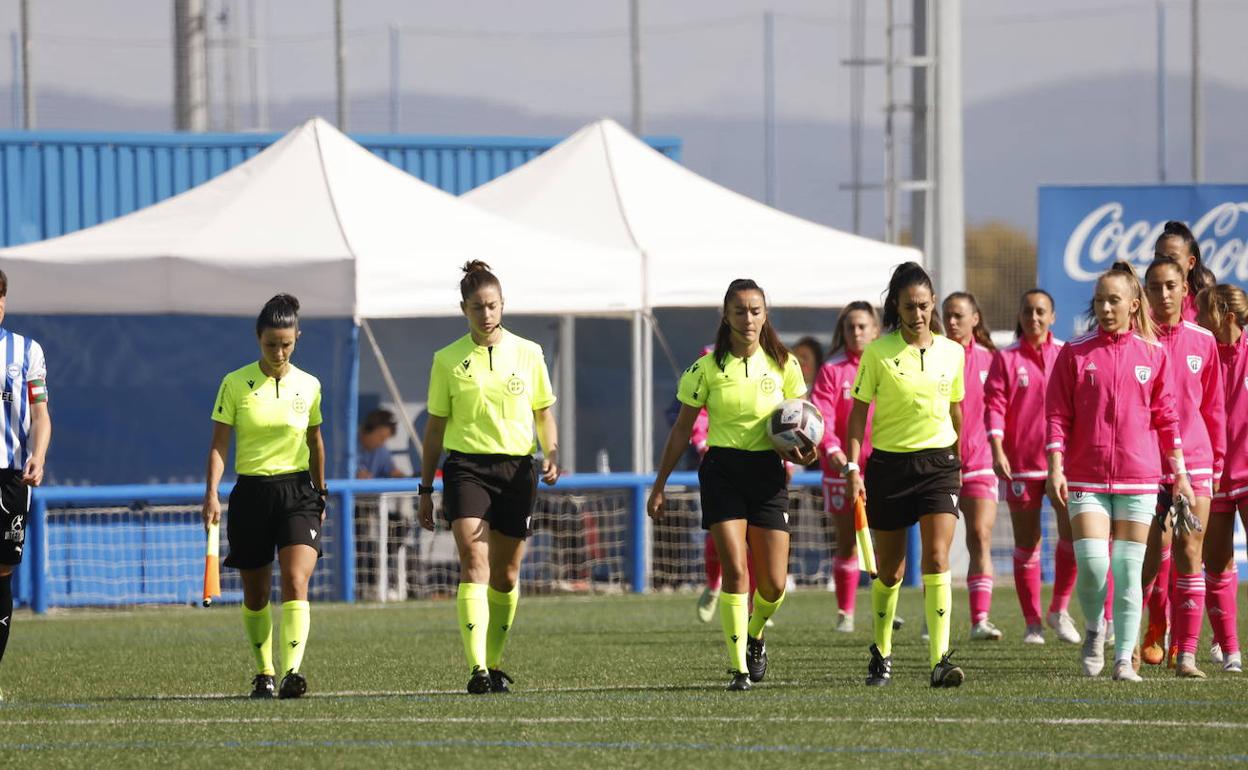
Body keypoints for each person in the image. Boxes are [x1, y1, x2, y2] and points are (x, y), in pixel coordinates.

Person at [648, 278, 812, 691]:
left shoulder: (785, 364)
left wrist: (804, 452)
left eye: (755, 311)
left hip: (768, 473)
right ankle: (739, 668)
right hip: (722, 471)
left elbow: (803, 422)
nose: (748, 318)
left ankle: (755, 633)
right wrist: (659, 484)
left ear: (765, 315)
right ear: (726, 315)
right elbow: (681, 430)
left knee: (774, 585)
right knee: (736, 570)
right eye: (740, 311)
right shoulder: (705, 368)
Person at [417, 261, 559, 695]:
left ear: (503, 305)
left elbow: (543, 414)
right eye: (477, 307)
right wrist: (425, 489)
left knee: (507, 575)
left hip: (517, 471)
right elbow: (435, 430)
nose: (486, 314)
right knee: (474, 561)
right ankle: (477, 667)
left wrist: (552, 452)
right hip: (466, 469)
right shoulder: (446, 359)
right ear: (464, 309)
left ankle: (494, 662)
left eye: (493, 305)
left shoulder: (529, 353)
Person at [1046, 261, 1193, 682]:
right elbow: (1056, 415)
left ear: (1133, 305)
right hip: (1085, 477)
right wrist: (1056, 466)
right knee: (1093, 564)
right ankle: (1096, 629)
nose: (1106, 308)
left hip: (1139, 477)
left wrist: (1180, 473)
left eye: (1114, 300)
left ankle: (1123, 659)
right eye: (1100, 301)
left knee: (1129, 572)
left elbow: (1167, 418)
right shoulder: (1074, 352)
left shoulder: (1153, 353)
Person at [846, 262, 966, 688]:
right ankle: (881, 652)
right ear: (896, 307)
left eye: (924, 305)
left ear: (933, 303)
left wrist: (958, 459)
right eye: (909, 306)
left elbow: (956, 410)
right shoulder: (877, 353)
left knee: (937, 558)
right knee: (890, 573)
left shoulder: (953, 352)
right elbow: (858, 415)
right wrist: (853, 467)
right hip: (889, 468)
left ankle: (939, 661)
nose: (918, 313)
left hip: (939, 466)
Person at [202, 294, 326, 700]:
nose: (279, 352)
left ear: (297, 338)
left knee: (295, 579)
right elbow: (219, 445)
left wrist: (321, 492)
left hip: (298, 493)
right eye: (271, 344)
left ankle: (292, 671)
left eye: (286, 344)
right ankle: (264, 671)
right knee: (255, 594)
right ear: (258, 339)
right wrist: (211, 493)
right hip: (252, 494)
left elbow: (316, 442)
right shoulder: (234, 383)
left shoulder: (309, 385)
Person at [1138, 256, 1224, 677]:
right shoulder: (1138, 340)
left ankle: (1185, 653)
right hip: (1148, 463)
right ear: (1144, 294)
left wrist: (1217, 462)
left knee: (1191, 552)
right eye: (1155, 287)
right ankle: (1138, 638)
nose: (1164, 294)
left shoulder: (1203, 341)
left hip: (1197, 462)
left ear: (1185, 289)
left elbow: (1214, 408)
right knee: (1148, 558)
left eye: (1171, 286)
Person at [984, 289, 1080, 645]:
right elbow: (994, 406)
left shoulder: (1067, 353)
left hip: (1063, 464)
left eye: (1041, 311)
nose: (1034, 318)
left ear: (1053, 316)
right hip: (1020, 464)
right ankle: (1032, 624)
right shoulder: (1006, 358)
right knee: (1028, 542)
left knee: (1072, 536)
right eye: (1028, 311)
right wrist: (997, 449)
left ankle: (1059, 609)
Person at [810, 301, 879, 633]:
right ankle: (845, 613)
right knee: (847, 540)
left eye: (862, 326)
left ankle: (884, 608)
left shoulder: (886, 366)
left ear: (875, 330)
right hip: (841, 469)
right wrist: (836, 454)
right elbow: (821, 416)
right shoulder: (831, 370)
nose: (856, 332)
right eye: (850, 327)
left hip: (882, 467)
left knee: (886, 540)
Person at [0, 269, 51, 702]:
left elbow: (41, 414)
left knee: (2, 572)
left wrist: (40, 453)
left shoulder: (27, 350)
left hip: (11, 476)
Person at [942, 292, 1002, 641]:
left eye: (958, 315)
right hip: (941, 463)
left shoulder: (991, 360)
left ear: (975, 319)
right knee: (939, 545)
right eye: (947, 315)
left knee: (980, 535)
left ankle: (980, 619)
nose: (952, 322)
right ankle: (935, 616)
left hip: (980, 462)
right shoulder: (933, 356)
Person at [1196, 284, 1248, 673]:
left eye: (1203, 313)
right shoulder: (1199, 355)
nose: (1197, 319)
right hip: (1210, 476)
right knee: (1216, 566)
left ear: (1227, 317)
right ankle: (1230, 651)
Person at [1154, 220, 1215, 323]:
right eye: (1159, 257)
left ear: (1191, 262)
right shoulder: (1143, 301)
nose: (1164, 263)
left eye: (1172, 258)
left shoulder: (1207, 304)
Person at [357, 408, 406, 479]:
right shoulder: (346, 447)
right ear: (366, 430)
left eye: (384, 440)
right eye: (380, 437)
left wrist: (397, 474)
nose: (381, 443)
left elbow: (391, 470)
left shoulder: (381, 450)